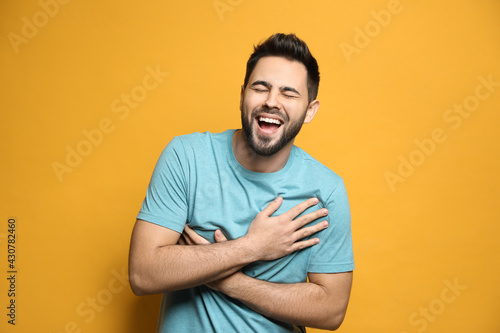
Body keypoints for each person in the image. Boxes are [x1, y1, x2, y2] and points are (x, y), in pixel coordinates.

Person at [128, 33, 354, 332]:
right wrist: (253, 246)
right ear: (242, 95)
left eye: (289, 93)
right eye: (261, 88)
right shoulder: (187, 157)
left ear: (310, 110)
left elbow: (330, 311)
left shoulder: (326, 190)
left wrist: (228, 282)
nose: (272, 102)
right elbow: (143, 274)